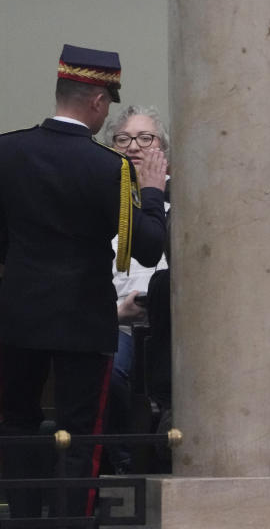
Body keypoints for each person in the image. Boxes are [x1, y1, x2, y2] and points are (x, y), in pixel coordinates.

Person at [0, 44, 167, 519]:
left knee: (16, 422)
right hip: (82, 319)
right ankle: (73, 517)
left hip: (17, 314)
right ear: (97, 101)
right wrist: (152, 193)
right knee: (81, 433)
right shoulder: (108, 167)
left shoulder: (6, 150)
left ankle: (25, 515)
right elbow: (148, 247)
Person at [102, 105, 171, 474]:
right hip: (116, 322)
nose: (134, 147)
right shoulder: (100, 201)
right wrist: (117, 313)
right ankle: (126, 466)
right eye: (124, 138)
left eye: (146, 138)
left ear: (164, 151)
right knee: (110, 373)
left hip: (174, 326)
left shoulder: (187, 202)